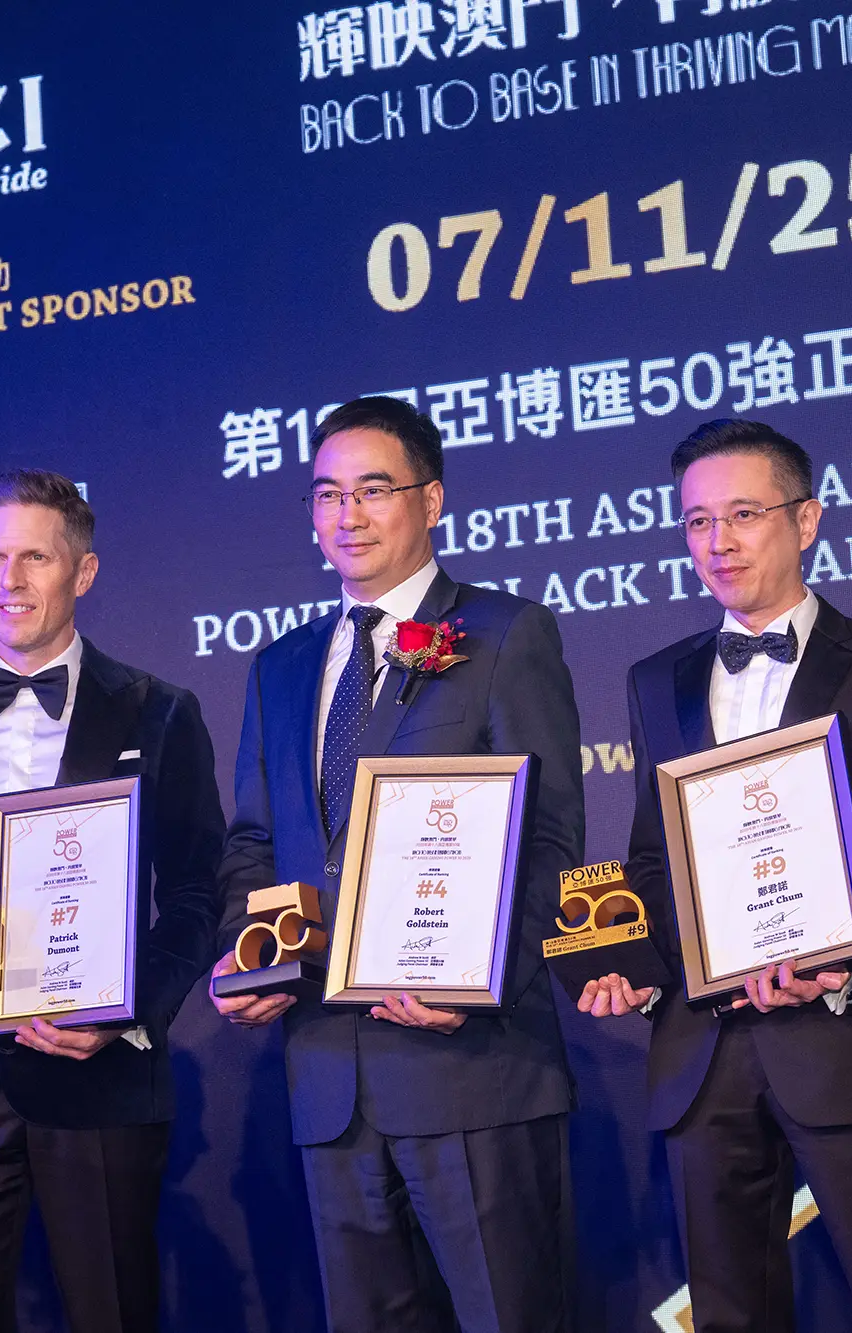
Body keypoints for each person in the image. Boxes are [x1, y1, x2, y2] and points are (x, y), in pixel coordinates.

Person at [582, 417, 852, 1333]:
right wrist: (631, 961)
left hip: (847, 1044)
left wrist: (849, 966)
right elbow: (653, 860)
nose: (717, 541)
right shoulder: (655, 681)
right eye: (696, 521)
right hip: (702, 1057)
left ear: (806, 520)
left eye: (743, 514)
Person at [210, 395, 584, 1333]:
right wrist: (248, 955)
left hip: (472, 1066)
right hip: (328, 1079)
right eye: (327, 493)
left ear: (432, 499)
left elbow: (548, 840)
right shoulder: (281, 665)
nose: (348, 514)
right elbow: (255, 842)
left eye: (373, 489)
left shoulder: (505, 634)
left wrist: (478, 984)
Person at [0, 469, 225, 1333]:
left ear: (84, 571)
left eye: (35, 556)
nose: (10, 578)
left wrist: (127, 1009)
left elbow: (195, 892)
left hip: (100, 1075)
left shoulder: (160, 711)